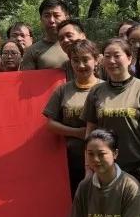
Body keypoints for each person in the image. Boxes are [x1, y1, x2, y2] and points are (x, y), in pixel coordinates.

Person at [82, 39, 140, 190]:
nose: (112, 61)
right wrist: (88, 168)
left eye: (117, 56)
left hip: (139, 167)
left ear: (129, 58)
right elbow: (89, 132)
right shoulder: (96, 91)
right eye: (107, 56)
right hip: (105, 167)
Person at [44, 40, 103, 195]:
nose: (81, 65)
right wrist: (77, 133)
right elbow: (50, 124)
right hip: (72, 160)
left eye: (85, 60)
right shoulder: (62, 90)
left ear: (96, 60)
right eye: (75, 60)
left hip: (103, 159)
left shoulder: (106, 88)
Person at [20, 0, 71, 71]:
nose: (51, 20)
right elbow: (28, 77)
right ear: (41, 19)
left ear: (67, 17)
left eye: (56, 15)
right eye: (47, 16)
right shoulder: (32, 51)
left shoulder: (79, 44)